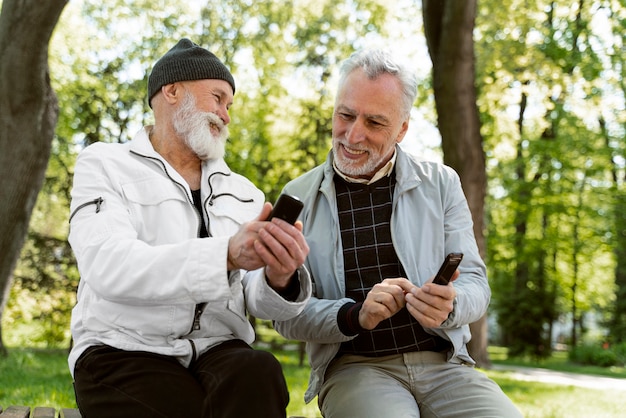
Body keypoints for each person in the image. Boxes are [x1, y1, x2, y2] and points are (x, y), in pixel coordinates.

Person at [67, 38, 312, 418]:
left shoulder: (245, 192)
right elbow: (107, 264)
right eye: (217, 98)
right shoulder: (103, 164)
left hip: (217, 348)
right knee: (184, 408)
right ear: (172, 90)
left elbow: (254, 298)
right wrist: (225, 254)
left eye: (229, 105)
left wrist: (279, 276)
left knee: (260, 372)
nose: (226, 115)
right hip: (122, 349)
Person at [274, 49, 522, 417]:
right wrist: (354, 315)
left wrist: (449, 305)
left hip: (444, 365)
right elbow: (284, 315)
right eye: (345, 115)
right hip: (356, 368)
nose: (353, 134)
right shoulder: (296, 197)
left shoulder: (441, 183)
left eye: (374, 123)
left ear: (402, 128)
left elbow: (476, 284)